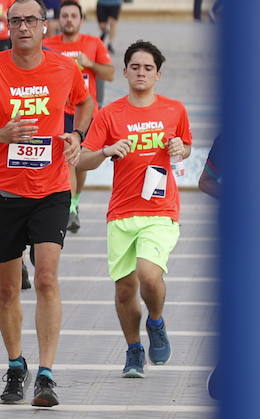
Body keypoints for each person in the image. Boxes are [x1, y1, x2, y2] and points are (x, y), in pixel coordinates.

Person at [0, 0, 92, 408]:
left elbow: (85, 104)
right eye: (15, 21)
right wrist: (0, 135)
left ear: (44, 26)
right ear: (7, 27)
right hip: (2, 191)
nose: (23, 27)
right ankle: (16, 364)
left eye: (31, 20)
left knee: (48, 278)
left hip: (51, 188)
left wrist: (76, 135)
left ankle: (46, 374)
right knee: (6, 289)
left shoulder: (65, 68)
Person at [76, 40, 191, 377]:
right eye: (135, 67)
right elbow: (82, 159)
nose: (141, 73)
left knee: (148, 275)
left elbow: (184, 149)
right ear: (124, 72)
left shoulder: (175, 110)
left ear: (158, 75)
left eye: (148, 68)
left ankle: (155, 321)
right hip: (121, 213)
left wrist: (179, 147)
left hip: (160, 210)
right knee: (125, 288)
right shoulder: (110, 114)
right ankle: (133, 350)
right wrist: (107, 150)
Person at [43, 0, 115, 234]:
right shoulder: (48, 45)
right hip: (59, 113)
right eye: (64, 16)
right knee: (67, 161)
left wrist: (90, 63)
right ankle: (69, 208)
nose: (69, 20)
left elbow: (111, 73)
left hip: (86, 113)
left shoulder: (93, 43)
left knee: (80, 163)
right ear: (58, 19)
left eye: (74, 16)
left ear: (82, 20)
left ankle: (74, 202)